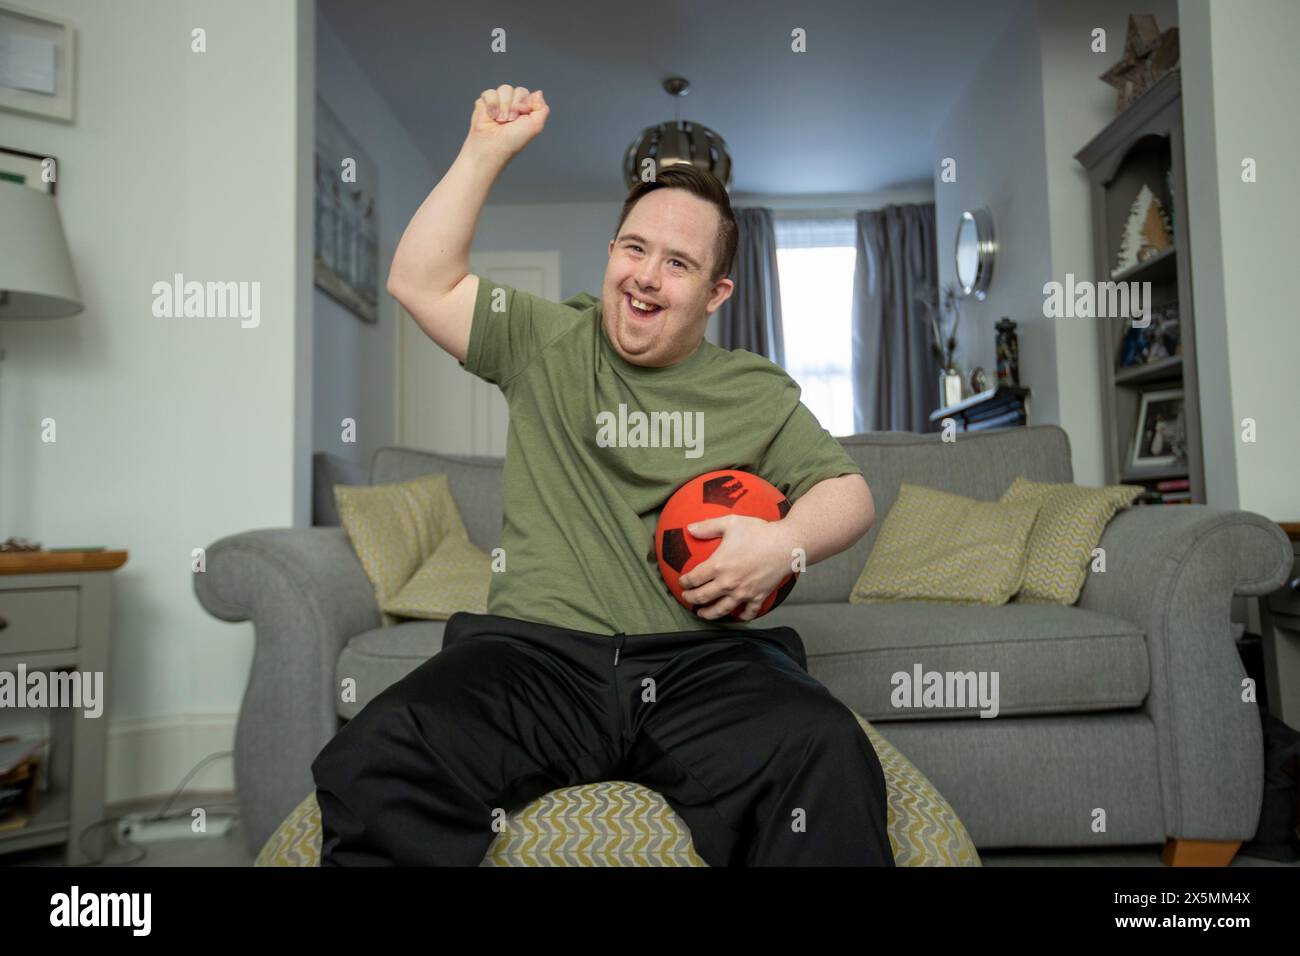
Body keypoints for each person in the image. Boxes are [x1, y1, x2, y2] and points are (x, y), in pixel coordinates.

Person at [311, 84, 893, 867]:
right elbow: (421, 281)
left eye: (678, 263)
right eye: (633, 248)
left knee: (826, 749)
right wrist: (485, 150)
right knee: (382, 749)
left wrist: (784, 543)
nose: (646, 277)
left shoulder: (752, 389)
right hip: (534, 659)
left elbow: (848, 492)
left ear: (717, 293)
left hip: (700, 665)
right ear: (611, 251)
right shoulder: (546, 340)